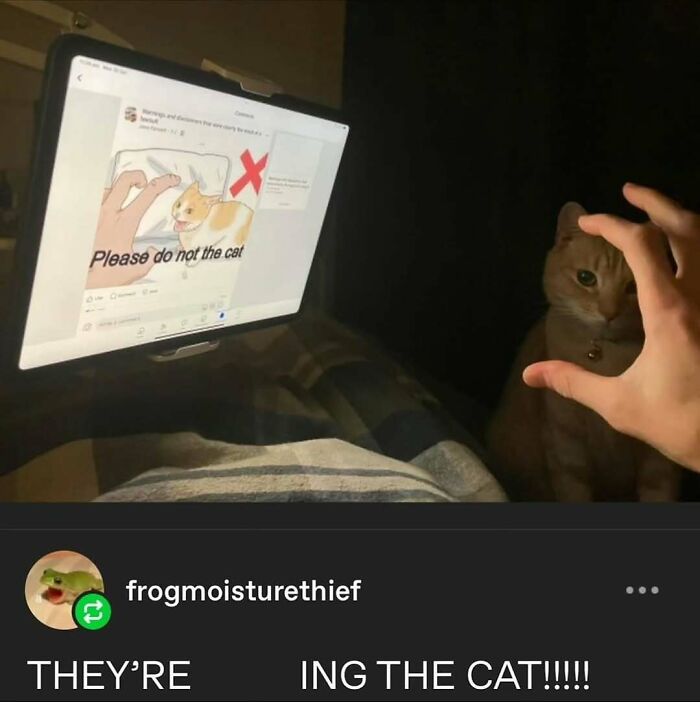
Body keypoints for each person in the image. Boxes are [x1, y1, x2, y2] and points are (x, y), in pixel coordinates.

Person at [523, 183, 700, 473]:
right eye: (587, 278)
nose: (609, 310)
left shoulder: (662, 340)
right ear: (564, 239)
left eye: (631, 288)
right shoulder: (552, 331)